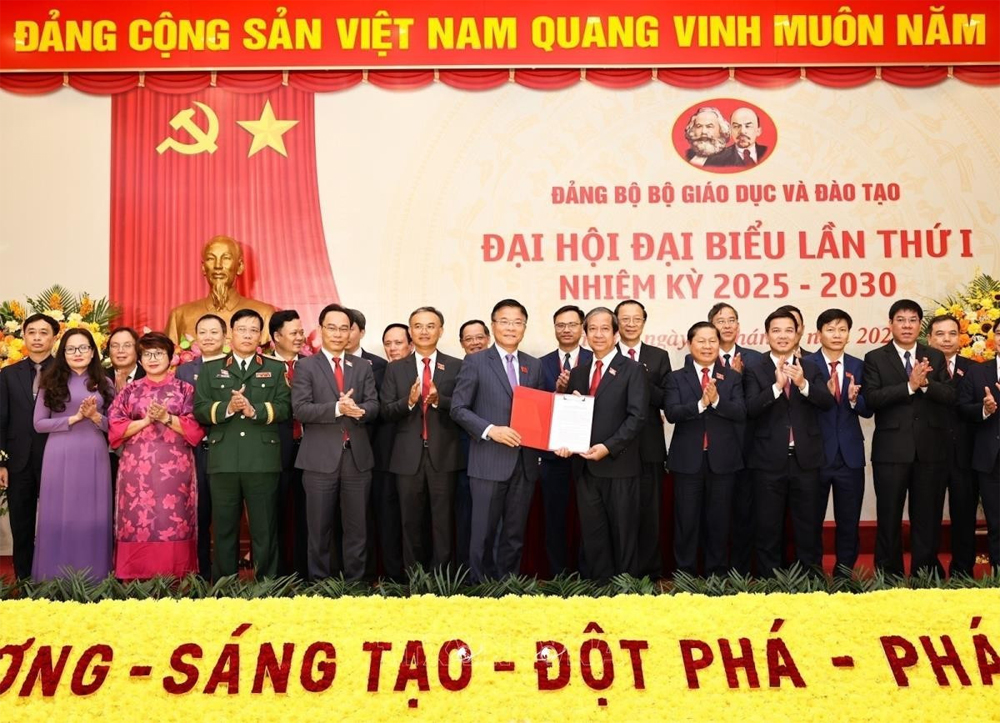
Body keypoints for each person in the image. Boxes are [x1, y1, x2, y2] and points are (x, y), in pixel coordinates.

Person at [194, 308, 291, 579]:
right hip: (223, 460)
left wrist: (253, 410)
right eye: (241, 330)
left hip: (262, 460)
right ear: (230, 335)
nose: (247, 335)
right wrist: (228, 407)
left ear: (261, 337)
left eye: (253, 330)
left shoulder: (275, 368)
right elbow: (199, 409)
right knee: (224, 529)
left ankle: (267, 587)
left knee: (265, 529)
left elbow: (285, 408)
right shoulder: (211, 369)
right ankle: (224, 588)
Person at [452, 299, 543, 582]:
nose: (511, 327)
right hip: (488, 460)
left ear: (524, 327)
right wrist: (491, 430)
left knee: (514, 534)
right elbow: (458, 408)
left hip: (524, 464)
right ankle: (481, 588)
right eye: (504, 321)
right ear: (493, 326)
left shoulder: (534, 365)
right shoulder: (476, 362)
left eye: (517, 322)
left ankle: (508, 585)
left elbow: (541, 413)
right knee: (483, 533)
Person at [863, 299, 954, 576]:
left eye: (912, 320)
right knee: (889, 515)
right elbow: (872, 398)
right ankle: (888, 574)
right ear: (890, 324)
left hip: (930, 450)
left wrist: (926, 385)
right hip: (891, 451)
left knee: (927, 516)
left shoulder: (934, 356)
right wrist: (909, 386)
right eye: (900, 320)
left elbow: (950, 396)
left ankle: (924, 573)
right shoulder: (875, 358)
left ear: (920, 325)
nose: (906, 325)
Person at [556, 307, 647, 580]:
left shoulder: (633, 370)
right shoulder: (578, 372)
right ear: (585, 335)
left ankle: (626, 590)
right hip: (584, 468)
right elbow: (571, 417)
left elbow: (637, 417)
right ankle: (598, 588)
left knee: (623, 535)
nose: (598, 334)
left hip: (619, 466)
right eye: (592, 329)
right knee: (593, 535)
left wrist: (608, 447)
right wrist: (564, 443)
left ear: (616, 334)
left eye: (605, 328)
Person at [745, 309, 835, 578]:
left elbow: (827, 402)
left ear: (797, 334)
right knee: (767, 526)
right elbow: (750, 408)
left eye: (788, 330)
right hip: (767, 460)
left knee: (808, 525)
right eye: (776, 330)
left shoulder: (812, 367)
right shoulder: (754, 368)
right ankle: (769, 581)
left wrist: (802, 383)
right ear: (767, 335)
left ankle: (810, 580)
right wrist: (776, 387)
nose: (782, 336)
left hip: (805, 460)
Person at [292, 304, 379, 581]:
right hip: (319, 460)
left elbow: (375, 405)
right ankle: (321, 585)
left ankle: (356, 585)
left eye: (344, 328)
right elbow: (300, 409)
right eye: (332, 327)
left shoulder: (362, 366)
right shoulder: (305, 366)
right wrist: (338, 408)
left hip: (357, 459)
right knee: (319, 529)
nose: (339, 334)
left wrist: (359, 410)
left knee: (358, 528)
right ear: (320, 329)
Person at [108, 332, 204, 579]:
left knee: (173, 519)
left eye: (159, 353)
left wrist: (166, 418)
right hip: (136, 471)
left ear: (171, 358)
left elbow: (196, 429)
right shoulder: (129, 391)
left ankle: (177, 574)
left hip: (175, 471)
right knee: (135, 520)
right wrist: (146, 421)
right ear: (140, 360)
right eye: (147, 354)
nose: (152, 359)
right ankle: (134, 574)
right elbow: (115, 429)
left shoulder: (185, 389)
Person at [381, 307, 464, 572]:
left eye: (430, 326)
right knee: (410, 522)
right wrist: (408, 402)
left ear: (441, 330)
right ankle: (414, 579)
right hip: (407, 457)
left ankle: (442, 579)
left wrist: (440, 401)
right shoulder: (395, 369)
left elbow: (464, 408)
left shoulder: (456, 366)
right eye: (418, 326)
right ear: (410, 331)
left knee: (443, 522)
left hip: (444, 455)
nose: (424, 331)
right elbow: (385, 411)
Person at [32, 327, 115, 580]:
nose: (77, 353)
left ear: (92, 352)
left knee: (93, 514)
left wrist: (95, 416)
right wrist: (75, 418)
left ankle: (95, 579)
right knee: (59, 513)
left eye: (83, 348)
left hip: (94, 454)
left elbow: (115, 426)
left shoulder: (105, 383)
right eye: (71, 349)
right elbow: (39, 424)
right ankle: (52, 579)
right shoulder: (49, 381)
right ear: (63, 353)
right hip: (59, 453)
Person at [664, 322, 745, 577]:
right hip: (687, 462)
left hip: (723, 462)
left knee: (719, 521)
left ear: (719, 344)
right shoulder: (676, 377)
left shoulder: (732, 377)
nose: (707, 346)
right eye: (701, 341)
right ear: (690, 344)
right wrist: (700, 404)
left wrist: (717, 401)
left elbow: (740, 412)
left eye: (712, 341)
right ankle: (685, 575)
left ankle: (717, 575)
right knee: (686, 521)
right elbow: (672, 412)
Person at [805, 309, 872, 576]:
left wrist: (855, 399)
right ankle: (812, 575)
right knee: (811, 520)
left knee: (849, 520)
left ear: (848, 334)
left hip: (849, 455)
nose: (836, 335)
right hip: (815, 455)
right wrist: (822, 394)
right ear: (819, 333)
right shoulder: (806, 364)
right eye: (830, 329)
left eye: (842, 329)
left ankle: (845, 573)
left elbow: (868, 410)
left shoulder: (859, 366)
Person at [615, 299, 671, 579]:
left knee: (650, 512)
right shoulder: (603, 354)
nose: (630, 324)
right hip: (615, 447)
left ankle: (650, 572)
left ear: (644, 322)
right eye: (625, 319)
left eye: (636, 319)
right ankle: (621, 571)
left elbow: (667, 400)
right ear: (616, 322)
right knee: (619, 513)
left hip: (649, 446)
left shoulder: (658, 356)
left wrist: (640, 378)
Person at [707, 302, 764, 577]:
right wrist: (732, 378)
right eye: (721, 321)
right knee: (716, 514)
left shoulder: (755, 359)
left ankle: (741, 571)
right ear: (711, 327)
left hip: (748, 446)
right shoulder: (700, 357)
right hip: (715, 449)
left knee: (745, 510)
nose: (727, 325)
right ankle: (714, 571)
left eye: (731, 320)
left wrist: (737, 379)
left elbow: (754, 404)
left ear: (739, 326)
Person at [0, 313, 59, 579]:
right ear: (23, 336)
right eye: (31, 332)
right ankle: (24, 581)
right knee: (21, 525)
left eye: (43, 332)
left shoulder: (65, 372)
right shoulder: (8, 374)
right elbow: (2, 419)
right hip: (18, 462)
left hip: (55, 458)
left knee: (55, 522)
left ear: (54, 338)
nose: (37, 337)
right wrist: (2, 462)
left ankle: (55, 578)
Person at [538, 305, 592, 575]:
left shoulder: (596, 359)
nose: (566, 329)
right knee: (555, 516)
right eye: (561, 325)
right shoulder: (540, 363)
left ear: (582, 328)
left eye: (572, 324)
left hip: (589, 454)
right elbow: (536, 407)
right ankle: (558, 574)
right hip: (552, 454)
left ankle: (588, 572)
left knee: (589, 517)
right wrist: (556, 392)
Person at [175, 313, 227, 578]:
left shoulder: (234, 366)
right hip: (194, 451)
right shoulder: (185, 370)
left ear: (225, 336)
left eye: (214, 332)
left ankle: (225, 573)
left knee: (225, 515)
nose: (208, 337)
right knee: (198, 513)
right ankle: (201, 574)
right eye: (202, 332)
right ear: (195, 337)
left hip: (226, 449)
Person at [925, 314, 978, 577]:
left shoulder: (975, 369)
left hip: (964, 455)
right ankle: (929, 572)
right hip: (928, 455)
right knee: (928, 517)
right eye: (940, 334)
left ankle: (963, 572)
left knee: (964, 516)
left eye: (952, 333)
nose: (947, 339)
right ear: (929, 339)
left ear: (961, 338)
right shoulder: (920, 368)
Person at [165, 235, 276, 345]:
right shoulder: (179, 316)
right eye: (211, 259)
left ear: (240, 266)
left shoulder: (264, 314)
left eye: (226, 258)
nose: (218, 266)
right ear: (203, 267)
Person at [268, 309, 309, 578]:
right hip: (273, 450)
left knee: (308, 514)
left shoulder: (312, 365)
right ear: (276, 336)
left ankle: (306, 573)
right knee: (276, 513)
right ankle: (278, 575)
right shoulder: (263, 367)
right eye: (293, 333)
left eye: (301, 332)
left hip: (309, 449)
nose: (299, 338)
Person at [454, 319, 491, 570]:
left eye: (479, 337)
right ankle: (466, 571)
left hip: (496, 456)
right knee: (466, 515)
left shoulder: (504, 369)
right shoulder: (457, 368)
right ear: (461, 344)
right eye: (469, 339)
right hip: (463, 456)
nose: (475, 343)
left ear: (488, 338)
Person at [957, 356, 999, 571]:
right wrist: (984, 410)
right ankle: (998, 577)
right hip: (991, 459)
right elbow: (962, 408)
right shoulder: (977, 371)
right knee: (996, 523)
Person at [106, 327, 145, 495]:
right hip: (105, 454)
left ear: (137, 349)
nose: (120, 350)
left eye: (127, 345)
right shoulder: (97, 377)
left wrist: (125, 395)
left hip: (142, 454)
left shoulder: (150, 375)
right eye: (115, 346)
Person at [705, 107, 769, 168]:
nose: (742, 131)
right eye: (736, 126)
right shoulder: (716, 160)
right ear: (730, 130)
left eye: (748, 126)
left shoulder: (768, 153)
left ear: (758, 131)